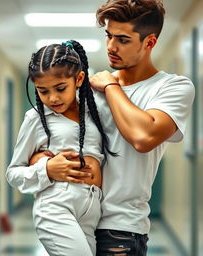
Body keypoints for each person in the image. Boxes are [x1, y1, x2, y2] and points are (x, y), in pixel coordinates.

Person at [29, 0, 195, 255]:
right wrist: (44, 163)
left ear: (149, 42)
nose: (111, 46)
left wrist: (110, 86)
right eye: (108, 36)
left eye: (123, 39)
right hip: (75, 217)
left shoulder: (173, 88)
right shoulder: (88, 91)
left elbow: (143, 137)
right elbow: (50, 138)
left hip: (120, 227)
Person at [6, 40, 117, 256]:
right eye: (43, 91)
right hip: (56, 206)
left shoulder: (94, 111)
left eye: (60, 88)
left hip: (92, 209)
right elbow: (13, 173)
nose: (52, 98)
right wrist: (46, 169)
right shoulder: (36, 119)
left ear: (79, 79)